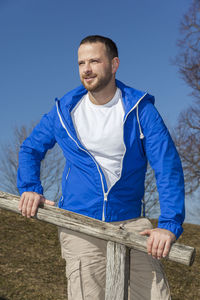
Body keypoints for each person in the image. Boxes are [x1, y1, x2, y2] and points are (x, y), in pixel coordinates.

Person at [17, 35, 185, 299]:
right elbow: (30, 148)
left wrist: (168, 224)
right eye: (81, 62)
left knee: (155, 295)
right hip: (79, 222)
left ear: (114, 64)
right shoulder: (65, 111)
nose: (86, 69)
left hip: (131, 222)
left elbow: (167, 166)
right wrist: (29, 188)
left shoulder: (141, 110)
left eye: (94, 61)